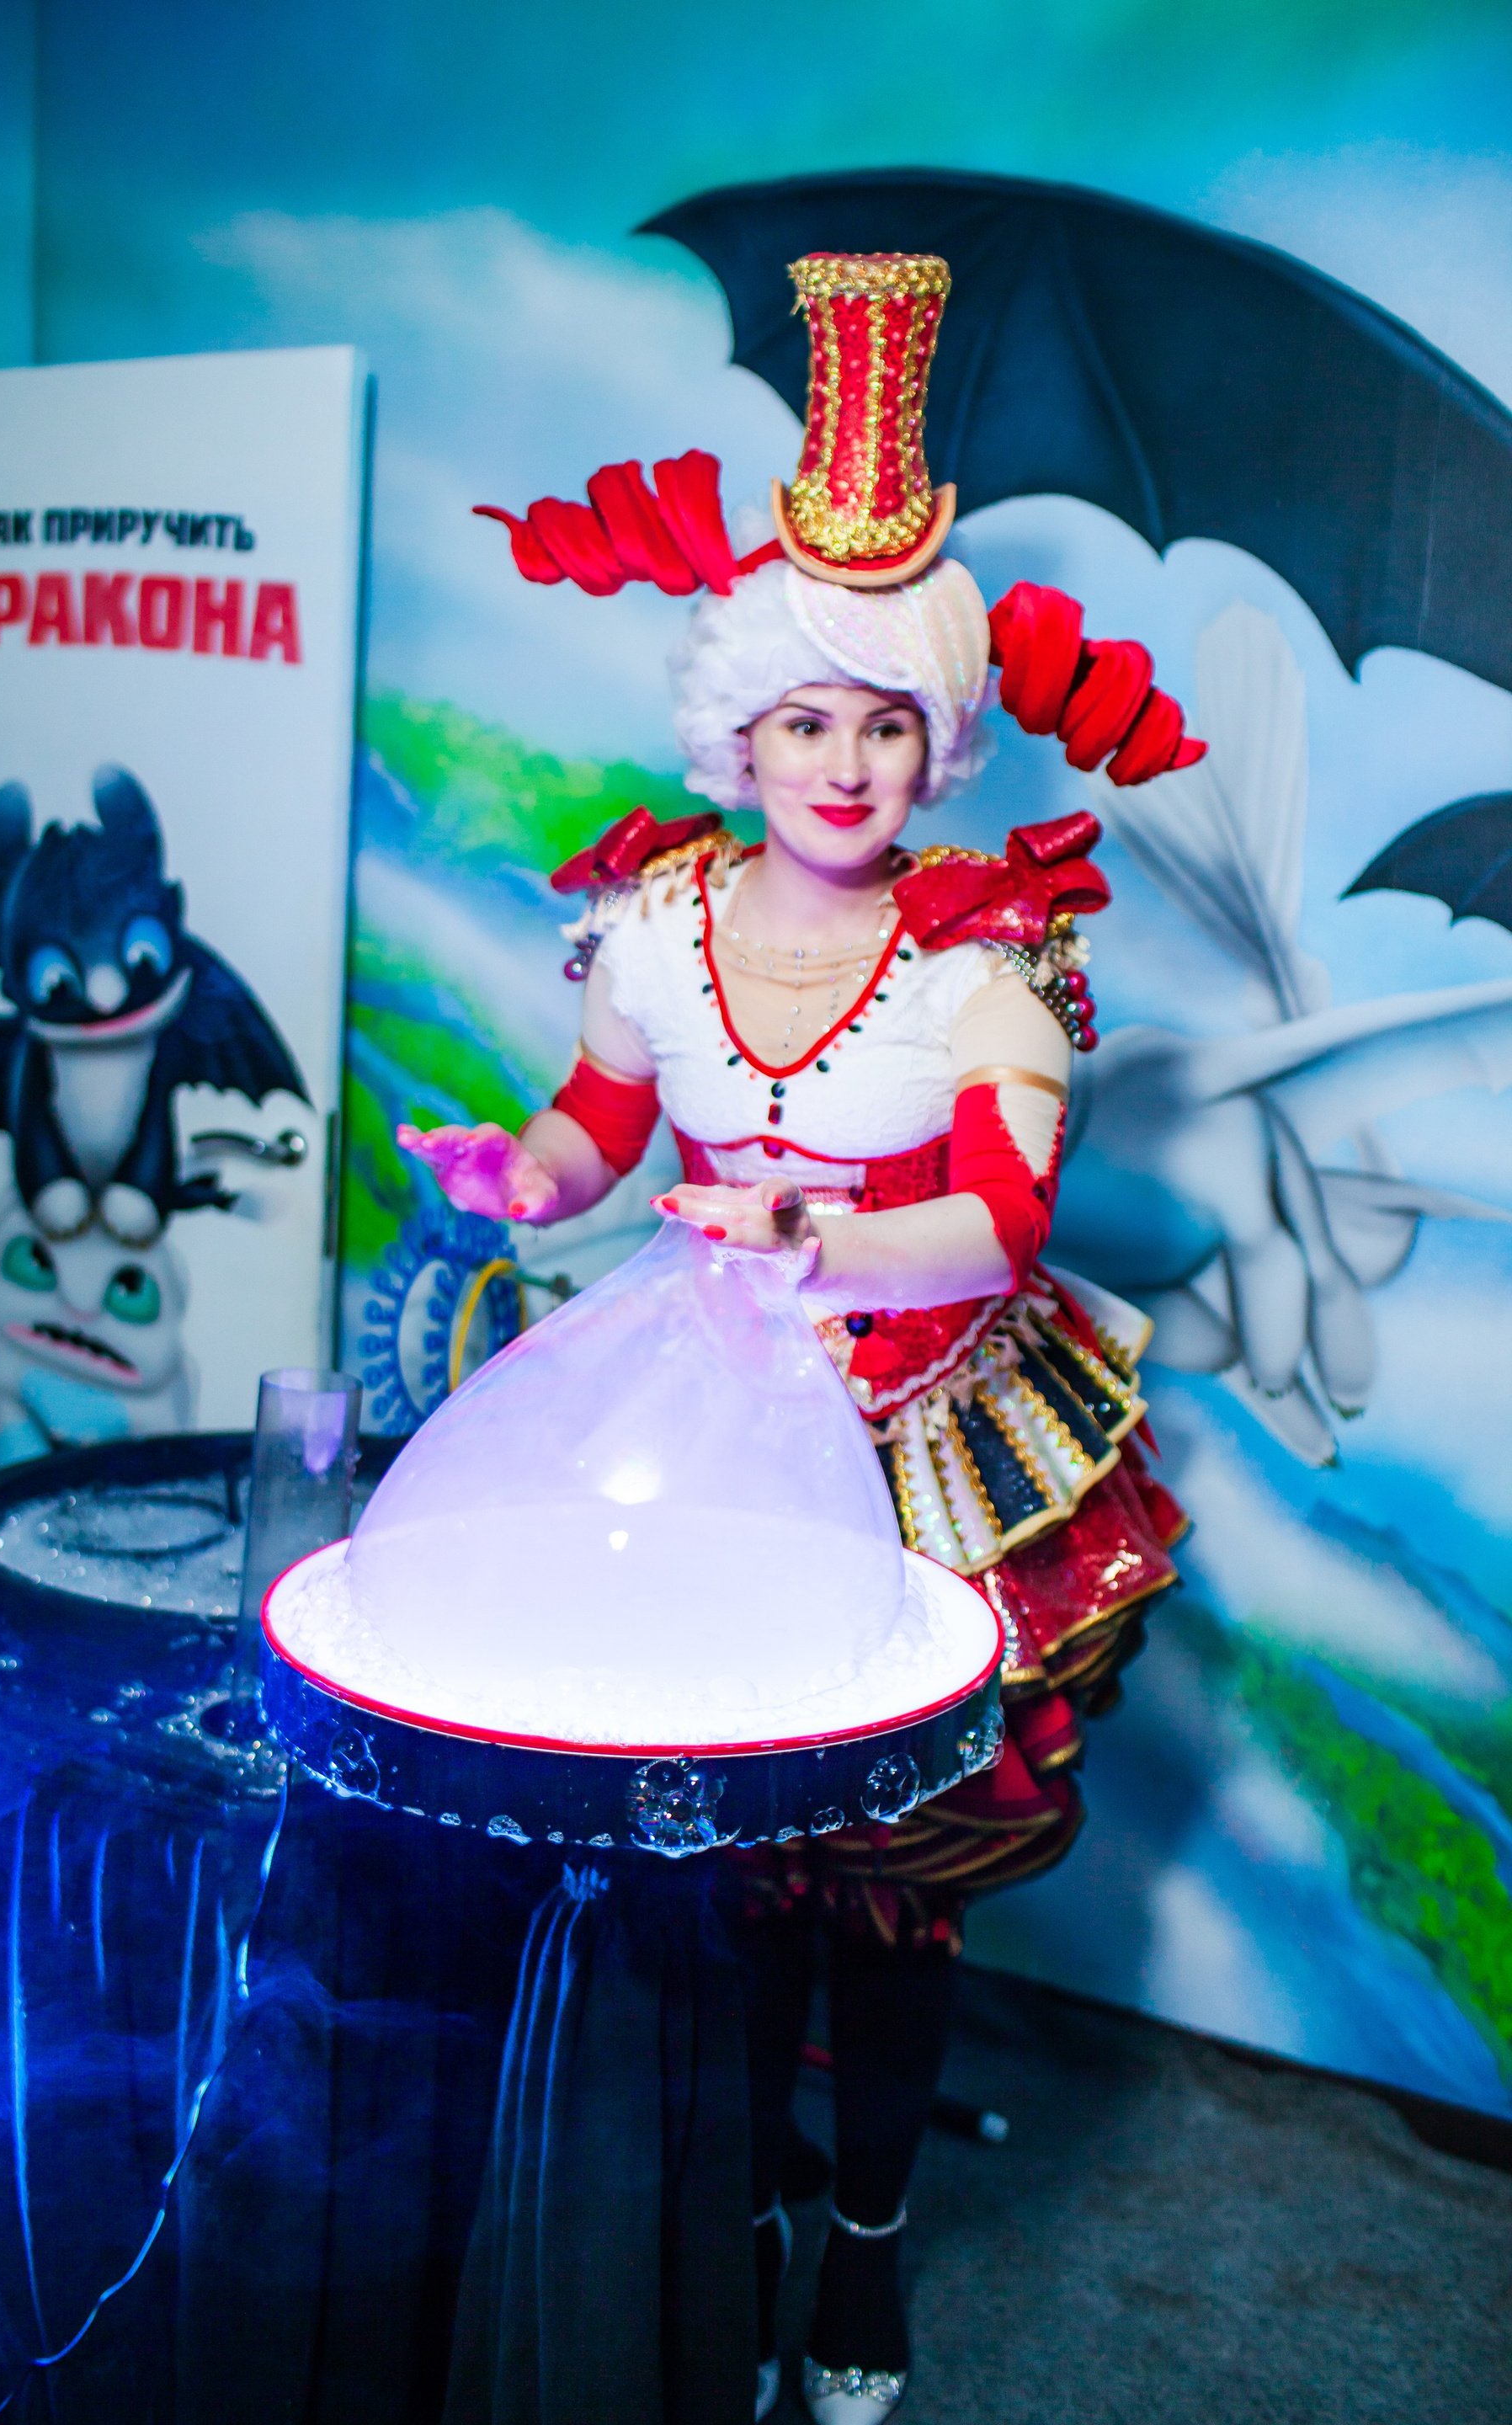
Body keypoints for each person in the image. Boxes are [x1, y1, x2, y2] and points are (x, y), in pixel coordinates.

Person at [405, 252, 1191, 2424]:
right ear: (735, 733)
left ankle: (865, 2247)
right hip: (704, 1415)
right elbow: (598, 1123)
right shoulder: (651, 919)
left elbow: (999, 1227)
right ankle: (740, 2209)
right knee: (735, 1865)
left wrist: (808, 1227)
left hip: (929, 1437)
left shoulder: (992, 959)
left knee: (886, 1890)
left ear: (941, 743)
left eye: (888, 722)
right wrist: (520, 1178)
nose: (847, 763)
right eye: (808, 719)